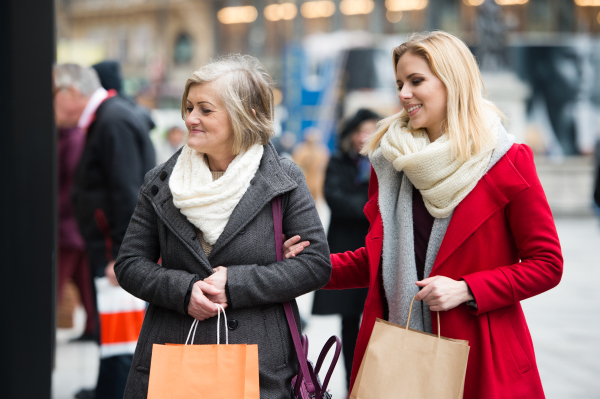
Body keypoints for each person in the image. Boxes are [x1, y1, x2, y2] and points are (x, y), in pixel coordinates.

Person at [285, 31, 563, 399]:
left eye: (416, 81)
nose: (403, 94)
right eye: (399, 83)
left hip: (481, 356)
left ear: (453, 82)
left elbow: (547, 264)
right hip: (401, 354)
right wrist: (309, 266)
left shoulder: (507, 160)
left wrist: (467, 289)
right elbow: (384, 262)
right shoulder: (391, 162)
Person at [113, 54, 331, 399]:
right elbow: (129, 265)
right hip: (175, 356)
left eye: (205, 109)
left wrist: (237, 283)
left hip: (260, 366)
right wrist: (183, 291)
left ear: (246, 115)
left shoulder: (283, 179)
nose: (190, 119)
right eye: (189, 107)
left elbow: (315, 265)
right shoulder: (160, 182)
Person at [53, 63, 156, 399]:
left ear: (71, 93)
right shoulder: (108, 118)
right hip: (114, 252)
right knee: (114, 339)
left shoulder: (112, 121)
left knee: (121, 342)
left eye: (52, 95)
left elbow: (128, 193)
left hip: (119, 256)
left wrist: (121, 256)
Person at [311, 108, 379, 389]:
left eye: (371, 131)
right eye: (360, 131)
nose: (365, 137)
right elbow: (335, 197)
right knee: (349, 323)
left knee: (379, 322)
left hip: (376, 249)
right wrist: (372, 208)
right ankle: (352, 383)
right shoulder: (339, 162)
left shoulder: (384, 162)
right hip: (346, 247)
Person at [57, 125, 96, 341]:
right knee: (83, 280)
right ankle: (93, 325)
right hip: (75, 225)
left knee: (57, 280)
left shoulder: (73, 138)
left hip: (69, 224)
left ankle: (93, 325)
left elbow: (71, 183)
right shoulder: (72, 136)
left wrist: (56, 209)